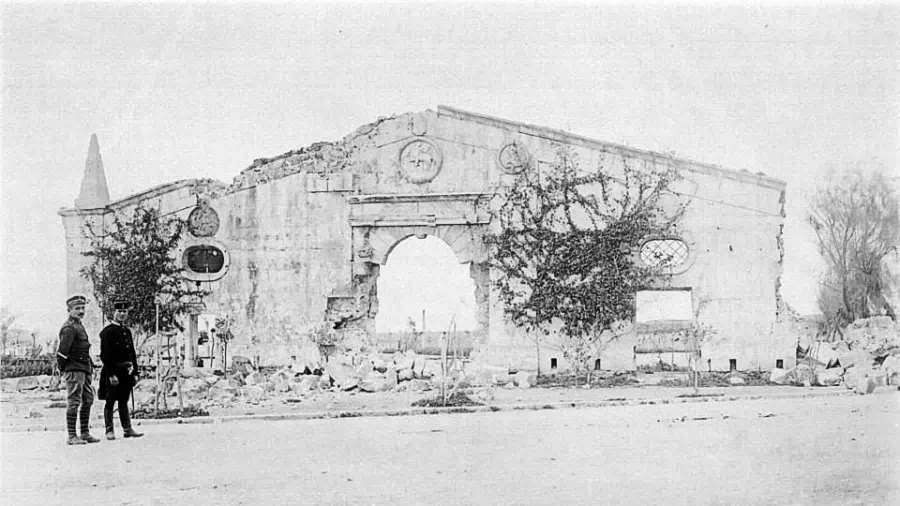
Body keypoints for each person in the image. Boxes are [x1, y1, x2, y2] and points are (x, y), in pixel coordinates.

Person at [57, 294, 100, 445]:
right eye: (77, 308)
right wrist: (62, 370)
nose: (81, 311)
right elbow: (62, 352)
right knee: (74, 401)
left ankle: (85, 433)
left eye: (82, 308)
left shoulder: (79, 325)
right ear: (69, 310)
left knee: (88, 399)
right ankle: (72, 436)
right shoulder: (69, 328)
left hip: (84, 369)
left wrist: (91, 366)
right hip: (74, 369)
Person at [99, 300, 144, 440]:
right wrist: (111, 374)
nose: (122, 314)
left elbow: (132, 353)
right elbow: (105, 355)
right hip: (113, 372)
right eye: (119, 311)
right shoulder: (107, 332)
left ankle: (127, 428)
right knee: (110, 401)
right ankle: (109, 430)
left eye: (125, 312)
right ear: (114, 313)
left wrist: (135, 372)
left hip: (126, 372)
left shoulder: (127, 331)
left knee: (124, 401)